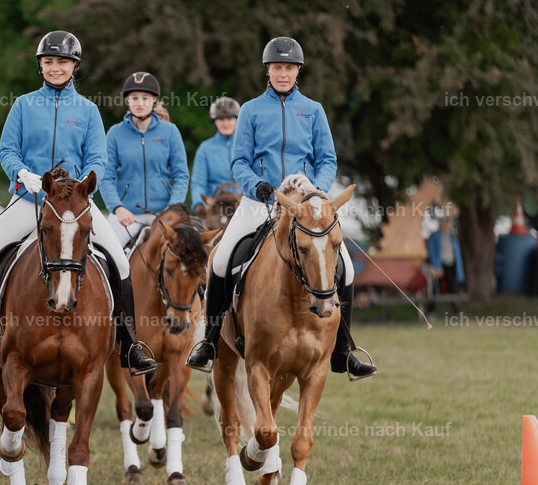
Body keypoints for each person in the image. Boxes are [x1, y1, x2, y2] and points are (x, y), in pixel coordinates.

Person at [0, 30, 157, 377]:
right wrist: (23, 173)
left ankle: (130, 344)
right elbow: (7, 150)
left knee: (119, 262)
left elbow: (97, 158)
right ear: (40, 66)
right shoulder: (23, 105)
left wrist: (83, 184)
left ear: (74, 66)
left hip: (75, 205)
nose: (55, 67)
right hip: (29, 198)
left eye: (62, 61)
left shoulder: (88, 110)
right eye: (48, 61)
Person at [186, 37, 377, 380]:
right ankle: (209, 342)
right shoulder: (251, 110)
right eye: (277, 68)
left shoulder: (314, 110)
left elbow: (327, 159)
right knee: (222, 259)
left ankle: (343, 351)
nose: (283, 73)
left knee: (345, 266)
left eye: (289, 68)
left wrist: (316, 191)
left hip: (305, 203)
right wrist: (257, 186)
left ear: (298, 71)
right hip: (261, 200)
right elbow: (239, 161)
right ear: (268, 71)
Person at [100, 72, 189, 246]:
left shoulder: (170, 132)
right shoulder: (115, 133)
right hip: (127, 214)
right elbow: (106, 177)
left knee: (189, 251)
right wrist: (117, 208)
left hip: (164, 212)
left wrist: (173, 207)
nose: (140, 103)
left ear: (154, 99)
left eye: (145, 98)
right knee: (105, 251)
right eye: (134, 98)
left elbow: (181, 175)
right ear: (127, 100)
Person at [190, 97, 242, 204]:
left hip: (243, 203)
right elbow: (198, 183)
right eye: (221, 119)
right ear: (215, 122)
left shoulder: (248, 146)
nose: (225, 123)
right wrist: (198, 203)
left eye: (229, 119)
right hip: (215, 205)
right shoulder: (205, 148)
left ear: (237, 120)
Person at [425, 217, 464, 315]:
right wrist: (436, 267)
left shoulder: (452, 237)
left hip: (451, 266)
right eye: (445, 222)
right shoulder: (434, 236)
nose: (447, 224)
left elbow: (457, 254)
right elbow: (431, 252)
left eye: (448, 223)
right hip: (439, 266)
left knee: (454, 289)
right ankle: (431, 312)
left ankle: (458, 312)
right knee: (435, 289)